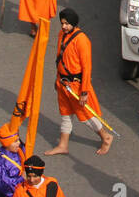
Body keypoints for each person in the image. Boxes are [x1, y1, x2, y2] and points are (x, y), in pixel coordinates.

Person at [45, 8, 112, 156]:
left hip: (76, 85)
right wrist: (57, 80)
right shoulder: (61, 34)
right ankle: (63, 145)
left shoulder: (82, 40)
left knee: (86, 115)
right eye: (62, 23)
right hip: (62, 84)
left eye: (67, 24)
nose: (63, 26)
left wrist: (84, 92)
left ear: (74, 24)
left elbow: (87, 68)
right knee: (65, 114)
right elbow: (59, 59)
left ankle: (105, 137)